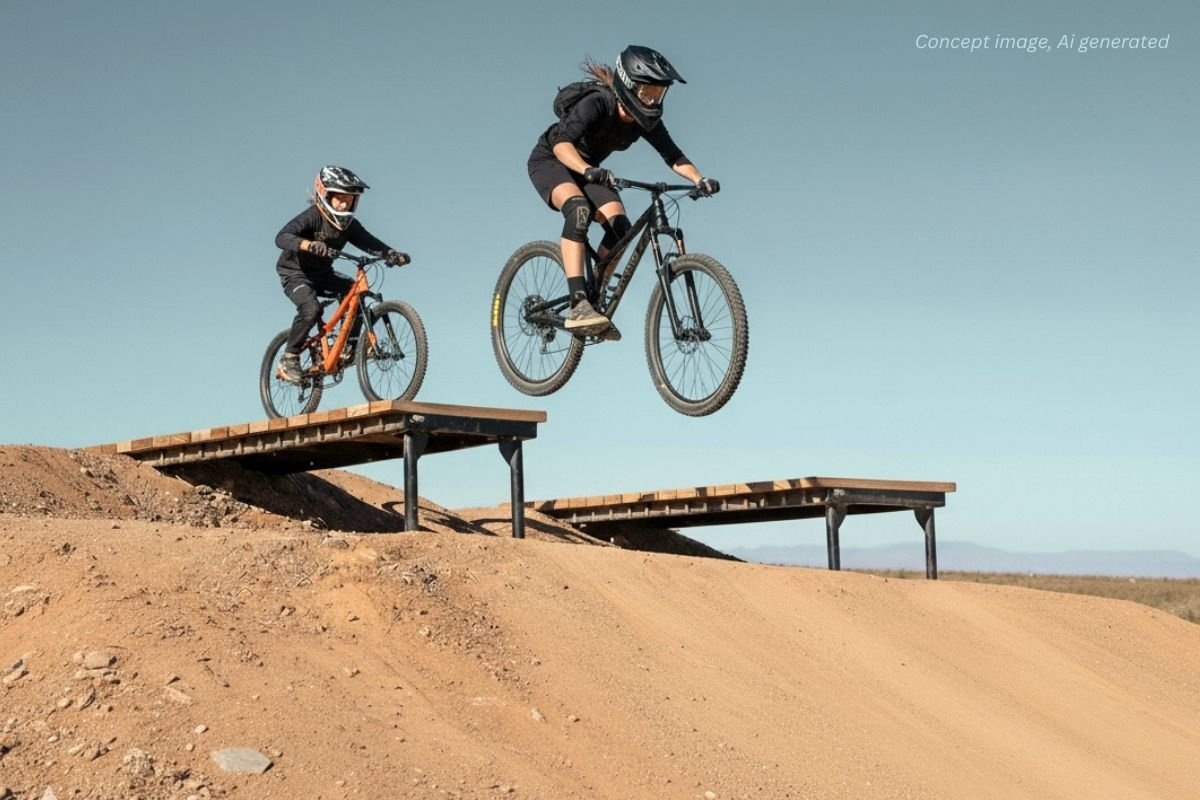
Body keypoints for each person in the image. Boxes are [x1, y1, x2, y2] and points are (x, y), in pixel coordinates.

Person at [527, 45, 720, 338]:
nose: (654, 100)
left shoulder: (646, 122)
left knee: (621, 229)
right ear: (629, 85)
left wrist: (699, 178)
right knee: (578, 209)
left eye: (659, 93)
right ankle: (578, 303)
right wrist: (588, 169)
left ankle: (595, 298)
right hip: (553, 161)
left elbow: (673, 155)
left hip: (588, 169)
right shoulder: (597, 103)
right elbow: (562, 144)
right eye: (648, 92)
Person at [273, 165, 409, 383]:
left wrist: (390, 254)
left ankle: (349, 347)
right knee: (312, 309)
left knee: (354, 292)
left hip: (323, 273)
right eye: (340, 198)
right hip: (296, 274)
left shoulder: (350, 226)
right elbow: (281, 237)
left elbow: (369, 242)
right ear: (325, 195)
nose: (345, 203)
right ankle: (289, 358)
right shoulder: (312, 217)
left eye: (350, 199)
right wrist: (307, 244)